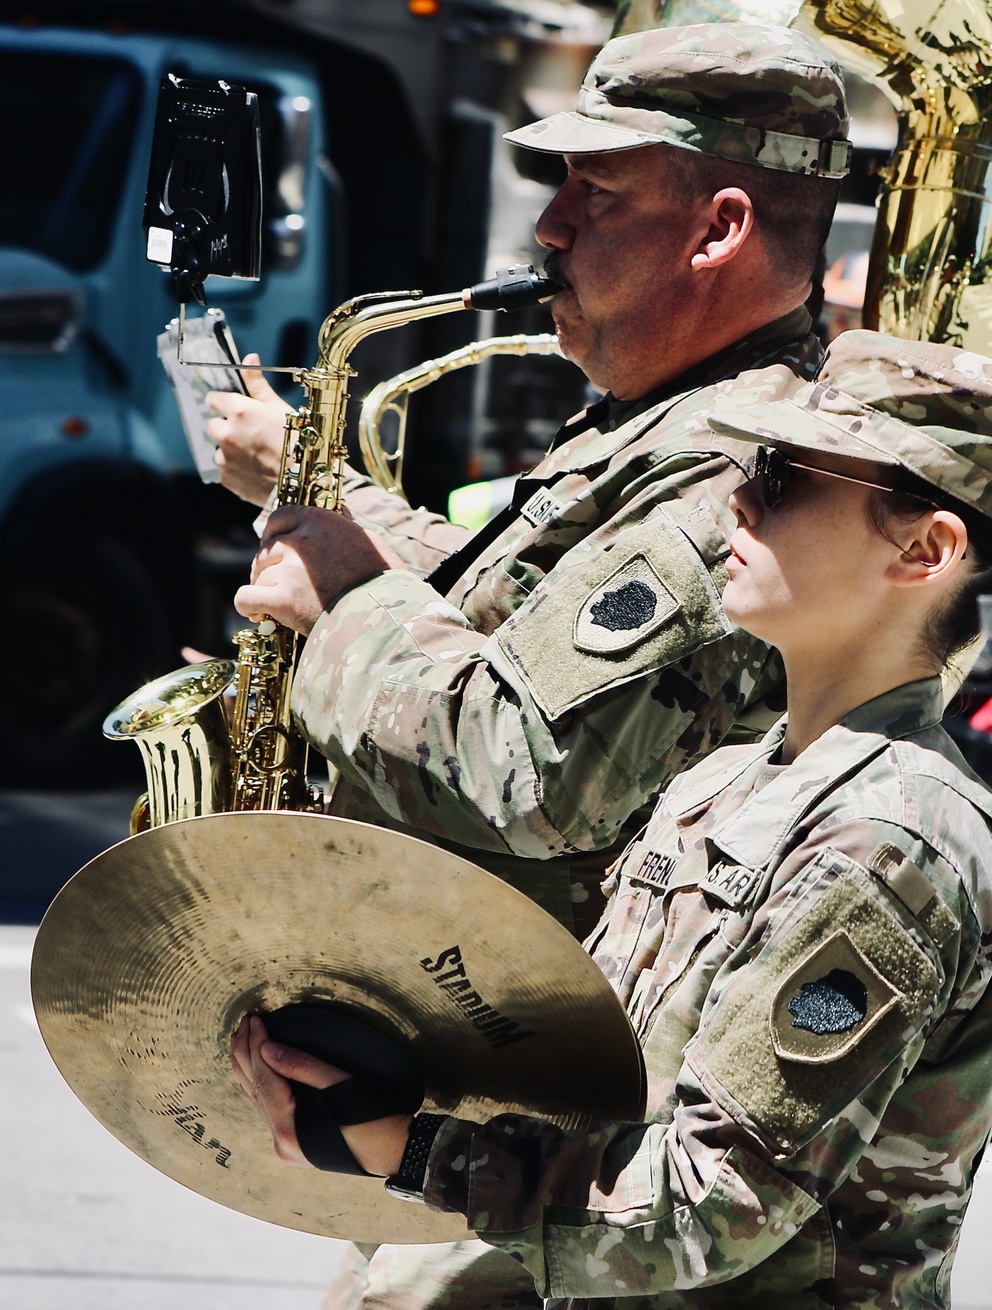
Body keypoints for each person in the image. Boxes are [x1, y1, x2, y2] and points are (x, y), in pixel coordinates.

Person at [214, 21, 850, 1310]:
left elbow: (526, 765)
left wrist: (337, 606)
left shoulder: (735, 456)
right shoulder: (665, 414)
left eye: (592, 191)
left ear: (719, 227)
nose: (547, 228)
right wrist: (337, 510)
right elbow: (525, 620)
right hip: (518, 1066)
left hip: (594, 1117)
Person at [232, 329, 992, 1307]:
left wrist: (406, 1147)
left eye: (789, 477)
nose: (738, 500)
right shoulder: (733, 776)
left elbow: (707, 1207)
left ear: (925, 549)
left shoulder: (888, 838)